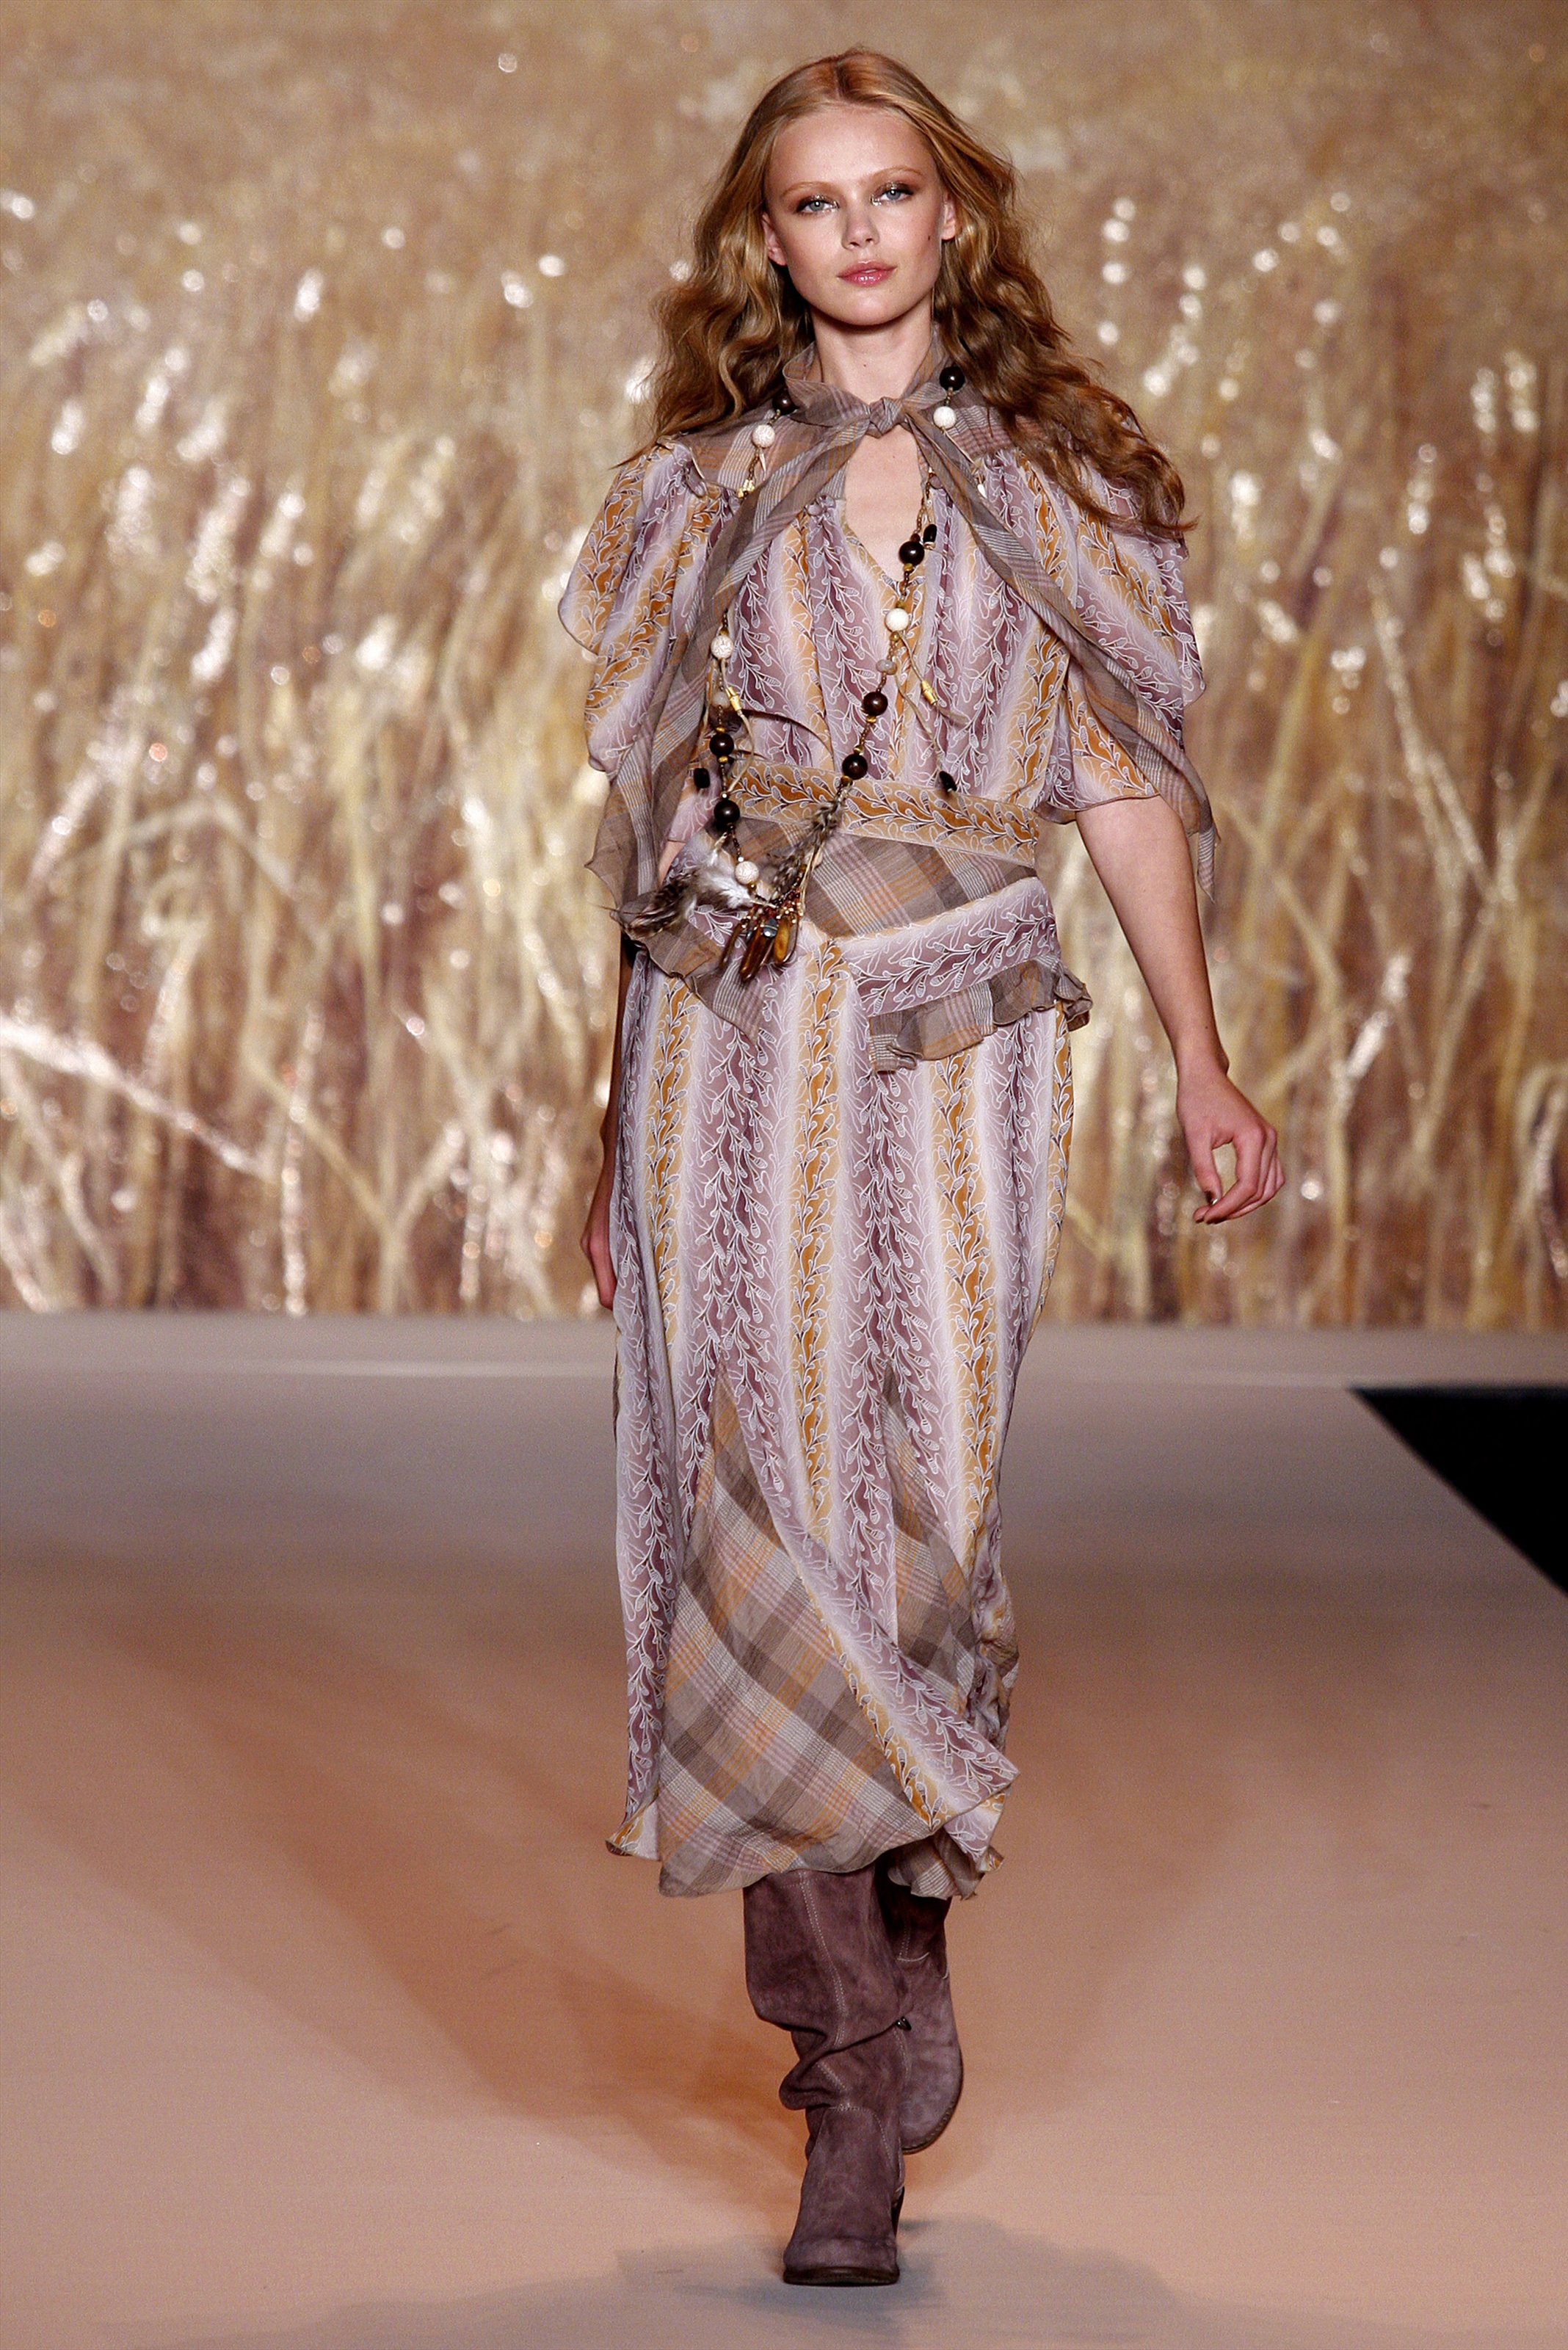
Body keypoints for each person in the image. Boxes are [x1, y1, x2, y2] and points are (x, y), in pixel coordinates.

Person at [562, 49, 1280, 2290]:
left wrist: (1202, 1053)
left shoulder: (1071, 483)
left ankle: (904, 1886)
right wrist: (604, 1117)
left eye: (892, 193)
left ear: (951, 216)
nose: (859, 233)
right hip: (732, 1035)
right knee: (756, 1502)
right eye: (817, 202)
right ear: (765, 238)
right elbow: (654, 828)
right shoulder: (697, 489)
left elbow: (1127, 780)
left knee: (926, 1518)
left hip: (961, 1031)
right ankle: (844, 2074)